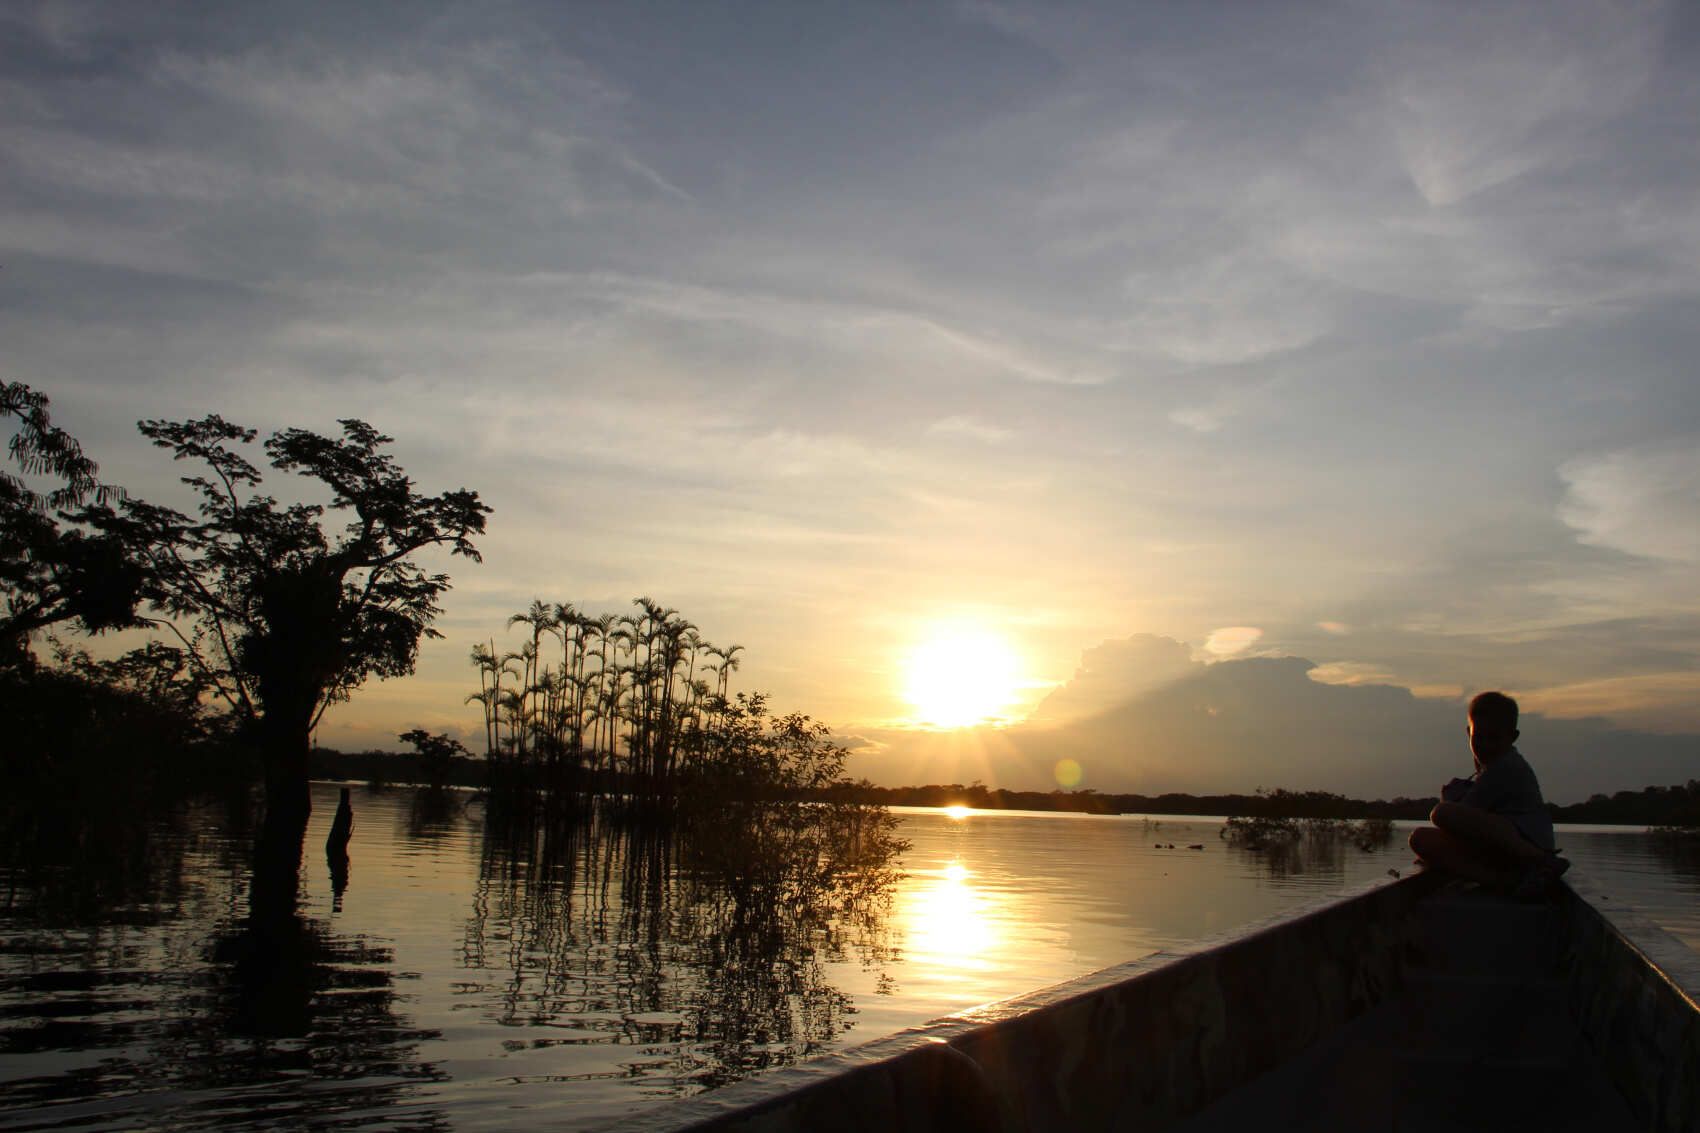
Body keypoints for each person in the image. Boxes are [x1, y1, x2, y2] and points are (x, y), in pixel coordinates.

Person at [1409, 691, 1570, 898]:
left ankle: (1540, 862)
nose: (1485, 745)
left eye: (1493, 738)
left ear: (1512, 737)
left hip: (1527, 845)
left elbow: (1461, 817)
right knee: (1420, 839)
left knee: (1440, 813)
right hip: (1503, 854)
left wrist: (1450, 800)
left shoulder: (1506, 767)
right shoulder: (1487, 769)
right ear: (1469, 734)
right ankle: (1508, 882)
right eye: (1478, 738)